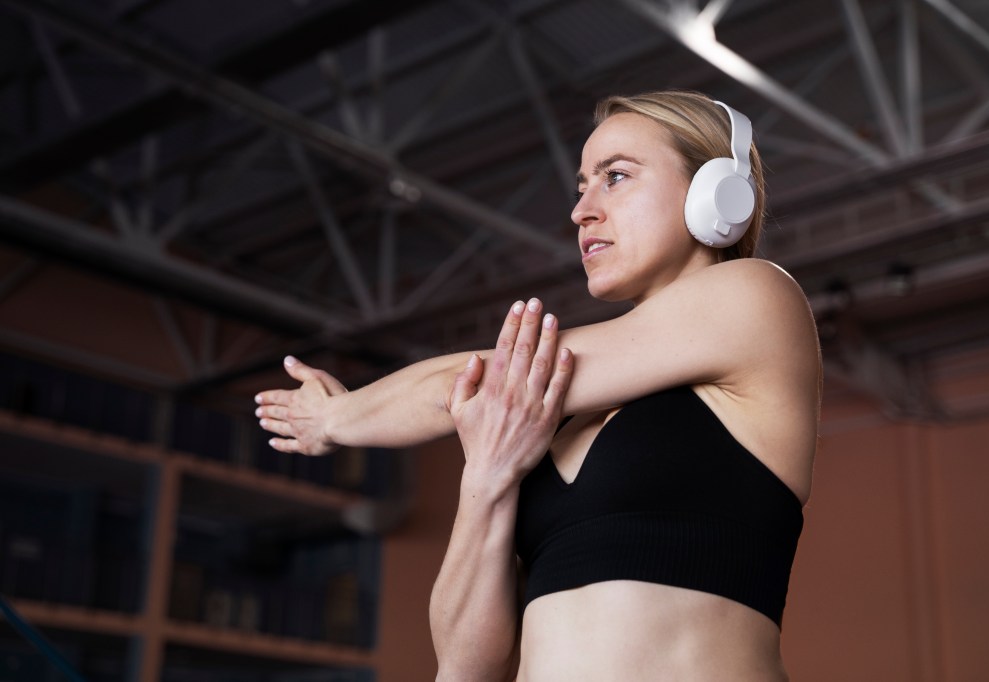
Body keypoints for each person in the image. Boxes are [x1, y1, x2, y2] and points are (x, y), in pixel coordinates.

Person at [255, 90, 821, 680]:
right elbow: (465, 667)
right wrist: (488, 479)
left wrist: (335, 418)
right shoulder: (543, 421)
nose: (582, 211)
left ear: (716, 194)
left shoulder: (758, 300)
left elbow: (475, 380)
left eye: (616, 177)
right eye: (582, 187)